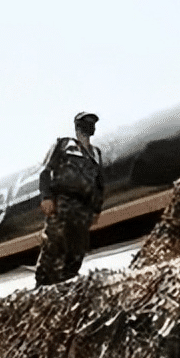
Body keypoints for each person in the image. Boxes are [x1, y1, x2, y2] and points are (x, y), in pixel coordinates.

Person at [36, 111, 105, 286]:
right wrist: (46, 197)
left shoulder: (96, 154)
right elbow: (45, 172)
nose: (90, 126)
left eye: (92, 123)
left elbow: (99, 185)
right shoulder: (64, 144)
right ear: (77, 126)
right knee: (54, 246)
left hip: (83, 209)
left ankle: (67, 282)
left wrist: (96, 209)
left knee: (77, 250)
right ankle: (42, 285)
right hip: (62, 203)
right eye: (86, 122)